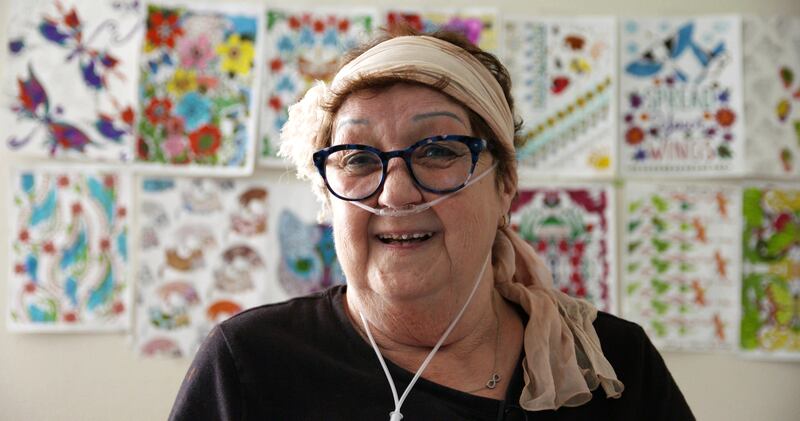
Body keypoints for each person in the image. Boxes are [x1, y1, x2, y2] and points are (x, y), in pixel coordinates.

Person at [169, 28, 694, 421]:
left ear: (505, 183)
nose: (395, 193)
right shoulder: (250, 365)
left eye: (438, 150)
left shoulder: (611, 367)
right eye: (358, 159)